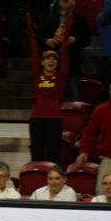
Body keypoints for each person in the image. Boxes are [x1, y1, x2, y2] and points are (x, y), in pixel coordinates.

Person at [26, 11, 71, 163]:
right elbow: (33, 48)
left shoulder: (61, 76)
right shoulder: (36, 74)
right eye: (47, 58)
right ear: (42, 61)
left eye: (54, 59)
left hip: (54, 118)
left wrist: (68, 23)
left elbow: (64, 50)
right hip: (37, 118)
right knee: (36, 152)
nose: (51, 61)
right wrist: (29, 25)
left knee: (53, 153)